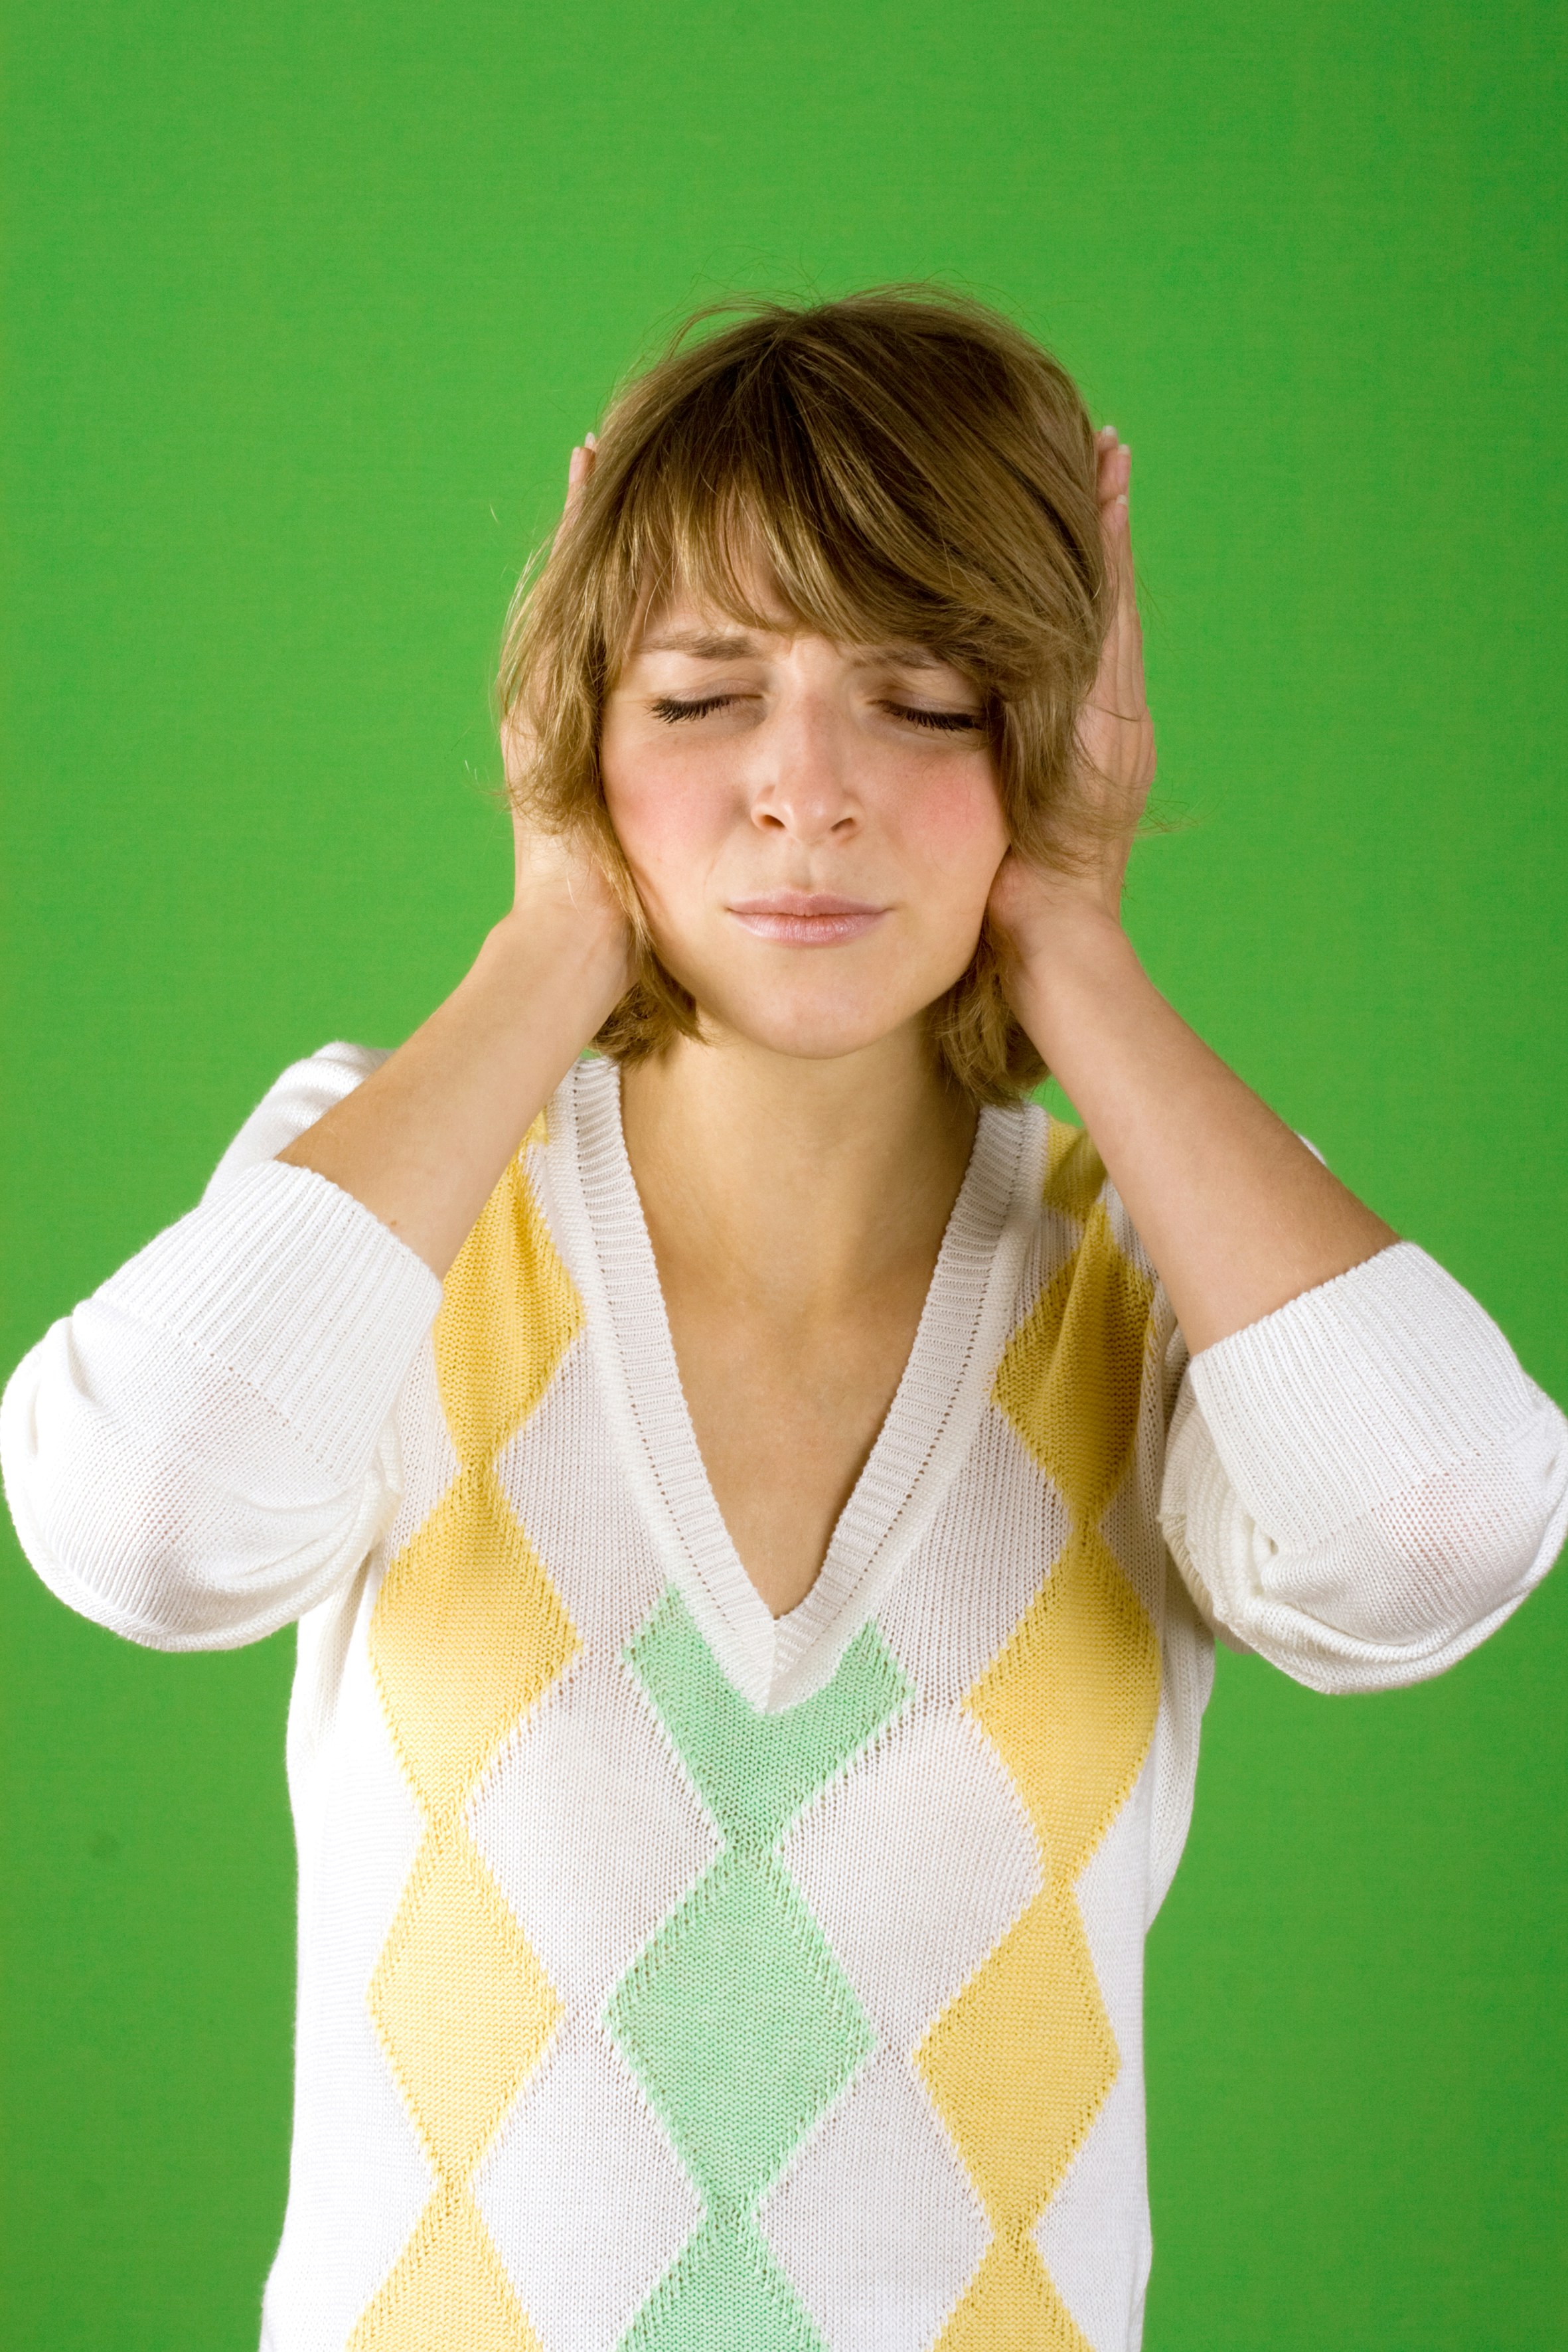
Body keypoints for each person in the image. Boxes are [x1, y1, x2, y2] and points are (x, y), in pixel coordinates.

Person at [3, 289, 1564, 2352]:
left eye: (925, 696)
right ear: (577, 731)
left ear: (1050, 733)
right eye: (699, 693)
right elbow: (140, 1528)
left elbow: (1434, 1537)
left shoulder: (1158, 1268)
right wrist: (554, 924)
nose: (804, 792)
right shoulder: (399, 1205)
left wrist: (1070, 932)